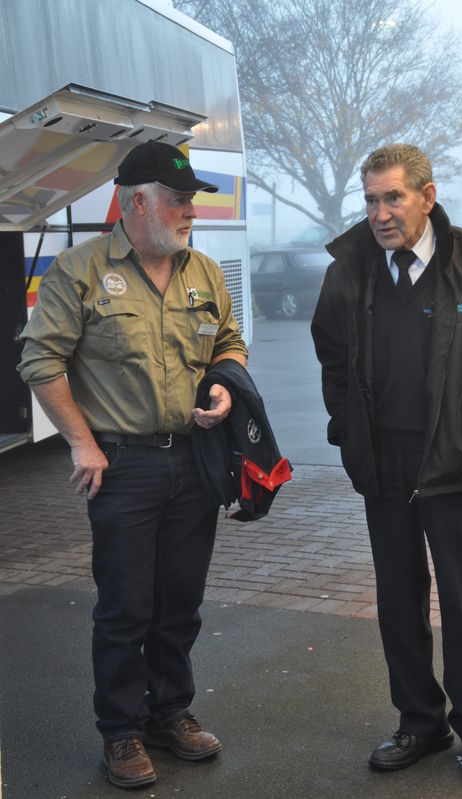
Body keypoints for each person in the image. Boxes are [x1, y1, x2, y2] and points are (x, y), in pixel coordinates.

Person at [18, 141, 248, 789]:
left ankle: (168, 712)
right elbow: (41, 361)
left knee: (181, 600)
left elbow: (229, 342)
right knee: (126, 607)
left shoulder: (202, 270)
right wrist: (81, 441)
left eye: (189, 202)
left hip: (194, 463)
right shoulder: (79, 270)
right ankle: (120, 731)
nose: (189, 213)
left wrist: (226, 383)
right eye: (177, 201)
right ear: (136, 201)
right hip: (122, 466)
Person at [311, 143, 462, 786]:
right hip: (384, 462)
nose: (380, 212)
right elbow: (330, 352)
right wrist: (347, 424)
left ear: (427, 196)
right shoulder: (350, 268)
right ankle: (420, 722)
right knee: (397, 599)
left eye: (393, 197)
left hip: (456, 460)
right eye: (372, 199)